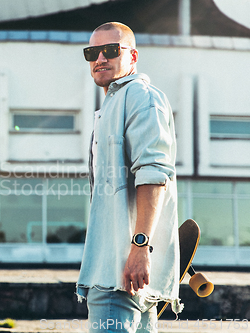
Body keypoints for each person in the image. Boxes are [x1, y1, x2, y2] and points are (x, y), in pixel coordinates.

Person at [76, 22, 180, 333]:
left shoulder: (140, 96)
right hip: (119, 271)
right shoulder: (111, 104)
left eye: (110, 50)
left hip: (120, 273)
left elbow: (153, 174)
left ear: (132, 56)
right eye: (92, 53)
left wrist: (140, 247)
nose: (100, 59)